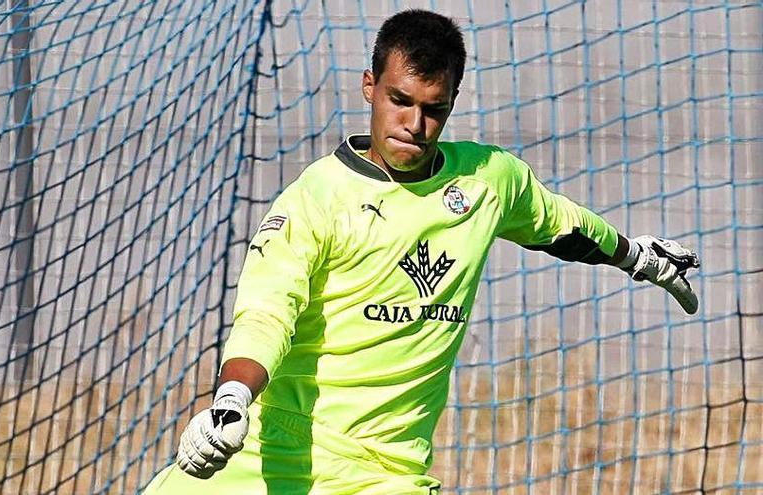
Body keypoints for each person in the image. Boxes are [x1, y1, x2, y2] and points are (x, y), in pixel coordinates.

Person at [144, 9, 700, 495]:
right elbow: (268, 312)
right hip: (268, 454)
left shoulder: (488, 180)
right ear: (370, 87)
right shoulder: (317, 198)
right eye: (399, 101)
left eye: (433, 108)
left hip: (385, 475)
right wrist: (234, 397)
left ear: (453, 100)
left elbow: (561, 227)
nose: (414, 124)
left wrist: (637, 257)